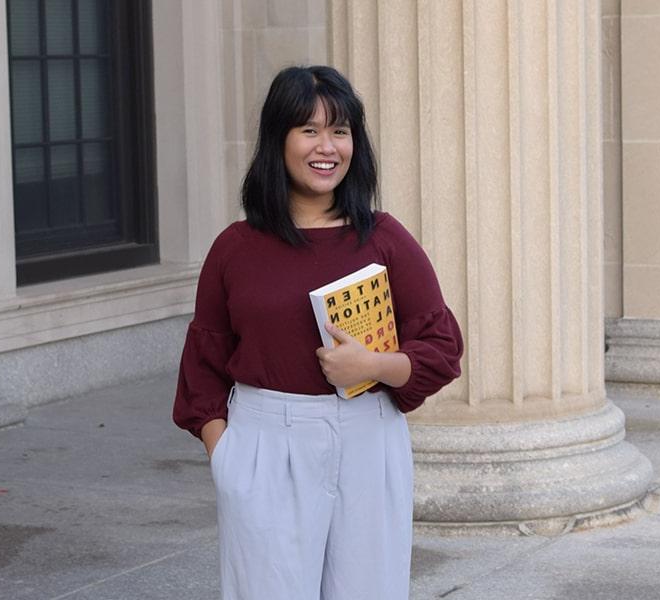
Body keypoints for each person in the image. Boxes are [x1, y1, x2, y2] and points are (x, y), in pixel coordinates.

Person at [171, 65, 465, 600]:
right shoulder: (236, 247)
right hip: (265, 441)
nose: (326, 146)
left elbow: (442, 349)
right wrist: (228, 457)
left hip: (368, 438)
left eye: (341, 130)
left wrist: (374, 367)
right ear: (278, 140)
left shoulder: (385, 238)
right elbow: (204, 365)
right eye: (309, 130)